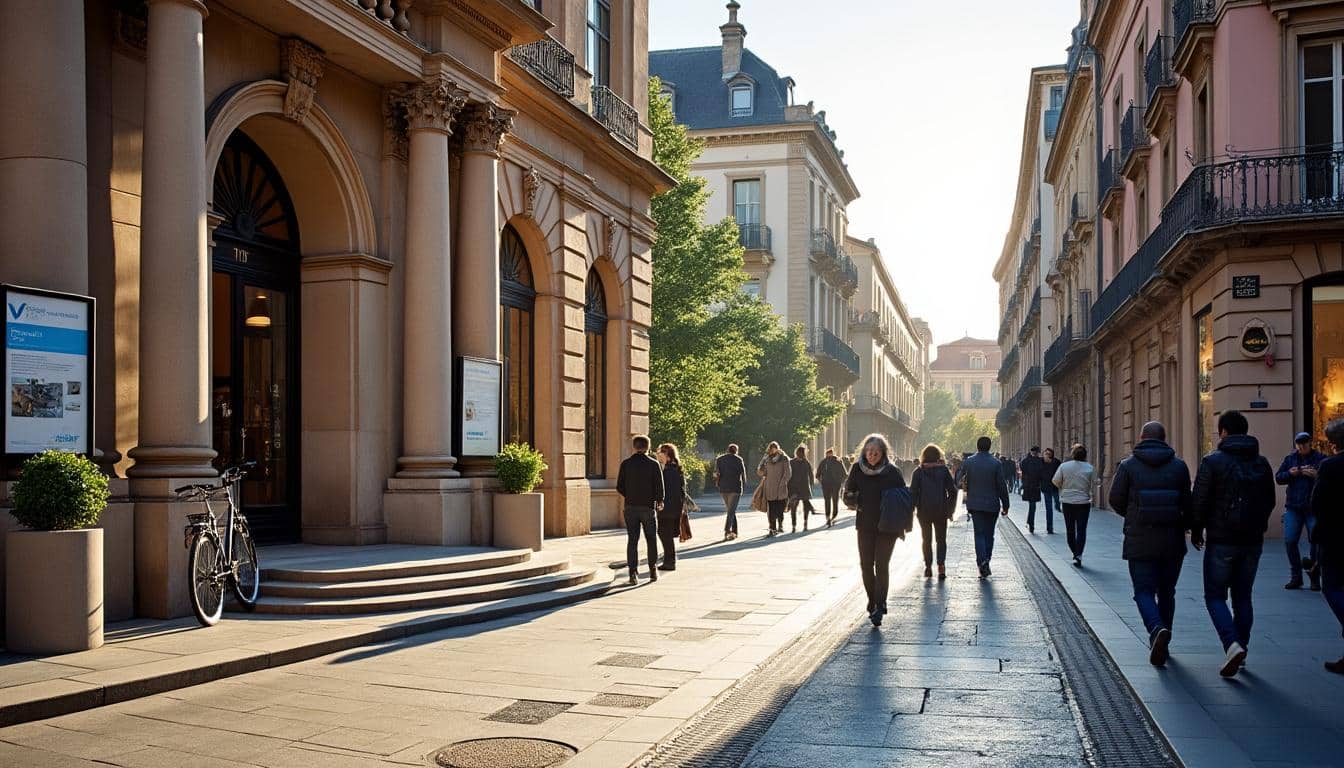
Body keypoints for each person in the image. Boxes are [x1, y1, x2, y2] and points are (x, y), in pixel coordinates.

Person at [1191, 410, 1276, 678]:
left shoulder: (1213, 461)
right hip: (1252, 541)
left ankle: (1231, 644)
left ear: (1224, 431)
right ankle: (1242, 648)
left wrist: (1196, 529)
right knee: (1243, 596)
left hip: (1222, 540)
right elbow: (1270, 500)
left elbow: (1200, 499)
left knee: (1215, 596)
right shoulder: (1261, 462)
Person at [1108, 422, 1193, 667]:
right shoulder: (1179, 466)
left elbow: (1116, 499)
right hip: (1172, 540)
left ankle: (1156, 629)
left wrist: (1133, 516)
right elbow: (1187, 503)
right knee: (1167, 592)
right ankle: (1164, 636)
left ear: (1142, 437)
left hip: (1139, 538)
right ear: (1164, 439)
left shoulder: (1128, 466)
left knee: (1143, 591)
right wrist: (1187, 526)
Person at [844, 434, 906, 626]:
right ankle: (872, 598)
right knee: (865, 564)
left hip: (887, 526)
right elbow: (847, 493)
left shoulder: (892, 472)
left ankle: (880, 604)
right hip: (865, 524)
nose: (871, 456)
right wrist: (853, 500)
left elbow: (903, 498)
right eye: (869, 452)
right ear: (864, 451)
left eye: (876, 453)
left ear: (883, 453)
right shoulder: (857, 469)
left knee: (881, 565)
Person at [1308, 418, 1344, 674]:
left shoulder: (1329, 466)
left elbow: (1317, 503)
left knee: (1332, 587)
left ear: (1333, 444)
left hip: (1335, 537)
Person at [1276, 432, 1326, 590]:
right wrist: (1291, 473)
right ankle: (1296, 576)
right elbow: (1279, 477)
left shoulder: (1321, 459)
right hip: (1293, 507)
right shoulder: (1290, 459)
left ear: (1310, 443)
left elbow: (1329, 480)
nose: (1302, 446)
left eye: (1304, 443)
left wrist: (1317, 475)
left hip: (1313, 508)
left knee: (1316, 542)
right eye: (1299, 443)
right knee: (1290, 540)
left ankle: (1314, 575)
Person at [956, 436, 1010, 578]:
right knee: (989, 534)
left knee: (979, 534)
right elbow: (1002, 486)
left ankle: (982, 562)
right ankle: (987, 560)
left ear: (977, 446)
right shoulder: (996, 463)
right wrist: (1006, 505)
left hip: (975, 504)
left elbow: (958, 480)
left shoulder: (969, 462)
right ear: (989, 446)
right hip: (992, 504)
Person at [616, 435, 664, 585]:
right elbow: (659, 486)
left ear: (634, 447)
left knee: (632, 540)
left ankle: (632, 573)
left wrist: (629, 496)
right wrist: (659, 500)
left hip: (630, 506)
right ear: (648, 447)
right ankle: (653, 570)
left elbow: (619, 486)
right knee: (651, 539)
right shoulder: (654, 464)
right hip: (648, 506)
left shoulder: (626, 464)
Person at [910, 443, 957, 579]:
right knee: (941, 539)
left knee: (926, 539)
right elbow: (953, 492)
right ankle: (941, 566)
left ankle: (928, 567)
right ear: (938, 456)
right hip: (941, 511)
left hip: (923, 512)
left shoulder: (918, 472)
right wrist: (949, 509)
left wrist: (912, 509)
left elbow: (913, 493)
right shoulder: (944, 471)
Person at [1053, 444, 1097, 567]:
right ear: (1085, 455)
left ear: (1073, 454)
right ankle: (1079, 553)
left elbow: (1055, 480)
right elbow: (1097, 481)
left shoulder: (1064, 466)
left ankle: (1074, 551)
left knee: (1070, 529)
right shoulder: (1089, 467)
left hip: (1067, 501)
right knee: (1082, 529)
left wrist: (1063, 488)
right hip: (1083, 502)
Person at [655, 443, 687, 572]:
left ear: (667, 455)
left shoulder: (668, 471)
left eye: (660, 452)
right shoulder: (674, 469)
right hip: (673, 508)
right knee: (665, 534)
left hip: (668, 509)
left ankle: (670, 561)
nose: (658, 455)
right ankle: (669, 560)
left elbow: (669, 492)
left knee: (664, 534)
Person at [714, 444, 747, 541]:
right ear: (736, 451)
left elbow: (716, 473)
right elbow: (743, 475)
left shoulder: (719, 459)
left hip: (724, 487)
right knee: (731, 511)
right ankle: (727, 530)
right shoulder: (739, 459)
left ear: (727, 450)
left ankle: (735, 531)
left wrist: (718, 483)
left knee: (730, 510)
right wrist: (744, 488)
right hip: (735, 488)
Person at [758, 442, 792, 536]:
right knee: (771, 508)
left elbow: (788, 473)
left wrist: (783, 482)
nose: (773, 450)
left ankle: (780, 525)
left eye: (774, 448)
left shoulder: (784, 458)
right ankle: (772, 528)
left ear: (778, 448)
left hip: (781, 487)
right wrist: (762, 463)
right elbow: (761, 473)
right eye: (771, 448)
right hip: (770, 487)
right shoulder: (767, 459)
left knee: (780, 508)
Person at [787, 445, 816, 532]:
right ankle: (804, 523)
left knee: (794, 507)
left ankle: (795, 525)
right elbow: (811, 476)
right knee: (803, 506)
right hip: (803, 487)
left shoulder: (792, 462)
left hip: (795, 487)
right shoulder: (806, 462)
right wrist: (811, 484)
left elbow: (788, 475)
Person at [1019, 446, 1046, 533]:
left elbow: (1022, 468)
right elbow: (1042, 472)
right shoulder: (1039, 461)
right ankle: (1031, 524)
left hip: (1028, 486)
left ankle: (1030, 522)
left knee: (1032, 505)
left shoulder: (1025, 461)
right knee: (1032, 505)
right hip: (1034, 486)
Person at [817, 448, 847, 527]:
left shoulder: (837, 461)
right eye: (828, 453)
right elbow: (818, 474)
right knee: (831, 500)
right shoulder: (824, 462)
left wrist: (840, 481)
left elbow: (844, 474)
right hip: (829, 484)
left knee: (833, 500)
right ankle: (830, 516)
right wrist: (821, 480)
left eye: (830, 453)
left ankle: (831, 516)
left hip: (834, 484)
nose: (829, 455)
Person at [1039, 447, 1062, 534]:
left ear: (1052, 454)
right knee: (1049, 508)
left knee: (1057, 499)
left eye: (1049, 454)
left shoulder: (1056, 462)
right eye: (1046, 453)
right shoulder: (1041, 462)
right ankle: (1050, 527)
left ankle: (1057, 505)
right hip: (1046, 488)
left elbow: (1060, 472)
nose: (1047, 455)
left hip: (1055, 486)